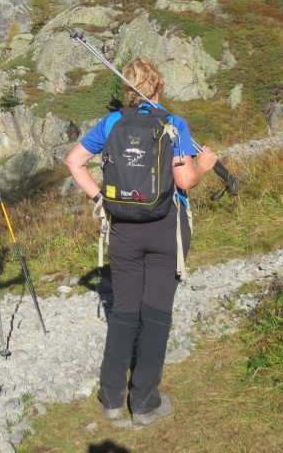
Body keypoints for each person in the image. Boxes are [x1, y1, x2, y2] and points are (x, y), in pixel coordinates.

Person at [64, 57, 217, 427]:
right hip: (166, 226)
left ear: (128, 91)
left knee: (124, 310)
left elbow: (73, 161)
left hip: (123, 229)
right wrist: (205, 165)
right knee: (156, 314)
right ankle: (145, 402)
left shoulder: (113, 122)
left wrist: (101, 199)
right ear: (158, 87)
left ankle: (112, 398)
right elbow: (184, 182)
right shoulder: (173, 124)